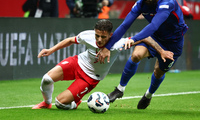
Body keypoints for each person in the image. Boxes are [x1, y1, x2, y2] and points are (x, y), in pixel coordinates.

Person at [32, 19, 173, 110]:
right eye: (97, 36)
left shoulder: (118, 43)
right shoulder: (88, 35)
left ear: (111, 35)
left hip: (90, 77)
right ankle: (45, 103)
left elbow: (145, 37)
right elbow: (70, 40)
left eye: (103, 37)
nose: (99, 40)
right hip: (77, 63)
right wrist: (50, 50)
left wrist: (161, 51)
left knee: (61, 103)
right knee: (46, 79)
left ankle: (76, 102)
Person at [97, 0, 188, 109]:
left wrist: (133, 39)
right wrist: (107, 47)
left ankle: (148, 95)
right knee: (136, 55)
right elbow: (124, 26)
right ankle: (120, 90)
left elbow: (153, 26)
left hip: (173, 43)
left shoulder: (167, 1)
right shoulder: (141, 4)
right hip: (154, 37)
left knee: (158, 72)